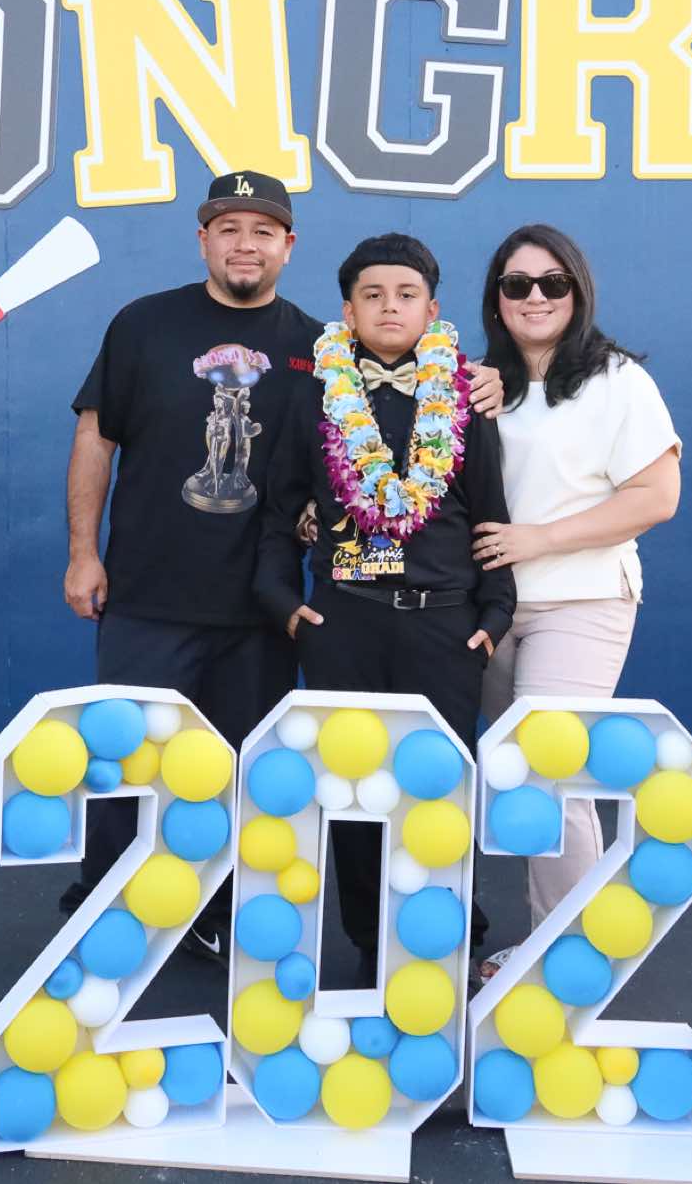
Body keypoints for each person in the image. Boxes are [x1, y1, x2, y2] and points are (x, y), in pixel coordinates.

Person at [62, 176, 504, 961]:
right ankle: (105, 916)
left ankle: (217, 917)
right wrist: (83, 551)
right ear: (202, 238)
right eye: (228, 227)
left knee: (246, 780)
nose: (245, 244)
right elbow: (96, 436)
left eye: (262, 230)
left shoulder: (318, 350)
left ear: (288, 246)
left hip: (260, 615)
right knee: (127, 763)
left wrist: (490, 380)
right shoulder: (142, 323)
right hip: (148, 592)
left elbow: (333, 460)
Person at [255, 232, 515, 983]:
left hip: (446, 625)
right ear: (348, 311)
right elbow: (279, 510)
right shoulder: (316, 394)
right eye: (372, 295)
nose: (389, 307)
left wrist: (492, 619)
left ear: (432, 311)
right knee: (356, 789)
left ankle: (451, 941)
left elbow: (490, 511)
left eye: (406, 295)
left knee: (439, 788)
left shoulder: (465, 397)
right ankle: (372, 943)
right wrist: (285, 606)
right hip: (346, 620)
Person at [465, 223, 682, 985]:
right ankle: (556, 942)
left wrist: (540, 539)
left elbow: (657, 495)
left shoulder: (618, 380)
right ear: (496, 297)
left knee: (548, 770)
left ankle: (574, 959)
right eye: (517, 283)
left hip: (582, 598)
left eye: (552, 282)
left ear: (578, 291)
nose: (535, 296)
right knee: (528, 778)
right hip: (491, 608)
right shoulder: (479, 382)